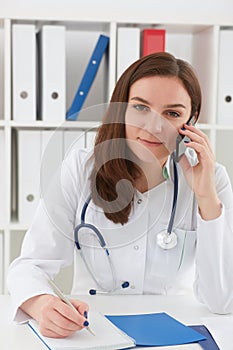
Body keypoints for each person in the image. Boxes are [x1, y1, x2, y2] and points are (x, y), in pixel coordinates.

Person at [7, 52, 233, 339]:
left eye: (172, 113)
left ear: (192, 121)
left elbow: (222, 300)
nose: (154, 127)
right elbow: (29, 266)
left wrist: (205, 198)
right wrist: (42, 305)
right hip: (94, 332)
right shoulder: (81, 167)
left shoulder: (212, 179)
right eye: (140, 107)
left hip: (179, 333)